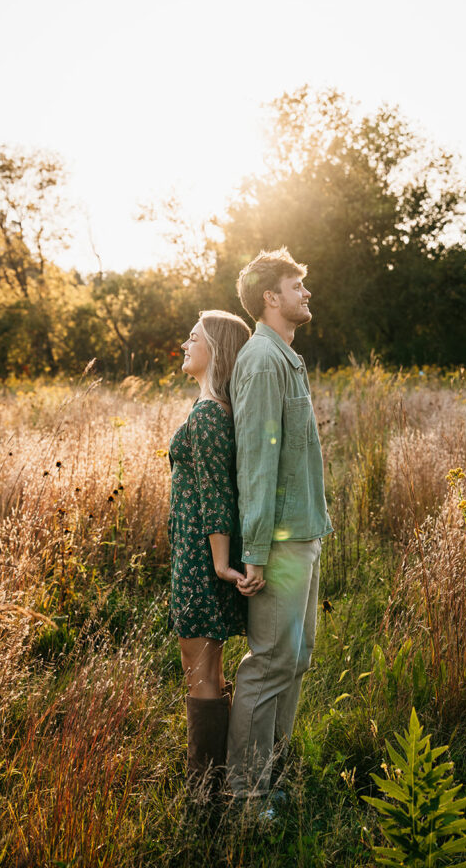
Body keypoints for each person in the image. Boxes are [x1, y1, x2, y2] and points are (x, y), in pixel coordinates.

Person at [226, 248, 332, 803]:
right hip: (280, 544)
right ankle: (245, 796)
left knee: (295, 659)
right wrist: (258, 553)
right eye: (297, 285)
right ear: (272, 296)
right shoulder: (263, 360)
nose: (306, 293)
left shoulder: (285, 356)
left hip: (302, 534)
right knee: (268, 664)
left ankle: (274, 777)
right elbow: (257, 462)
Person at [167, 309, 251, 795]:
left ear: (214, 350)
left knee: (199, 674)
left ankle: (204, 795)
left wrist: (220, 564)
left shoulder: (207, 415)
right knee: (208, 675)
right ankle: (221, 782)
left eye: (193, 337)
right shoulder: (215, 411)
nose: (185, 342)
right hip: (198, 557)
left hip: (201, 563)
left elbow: (217, 494)